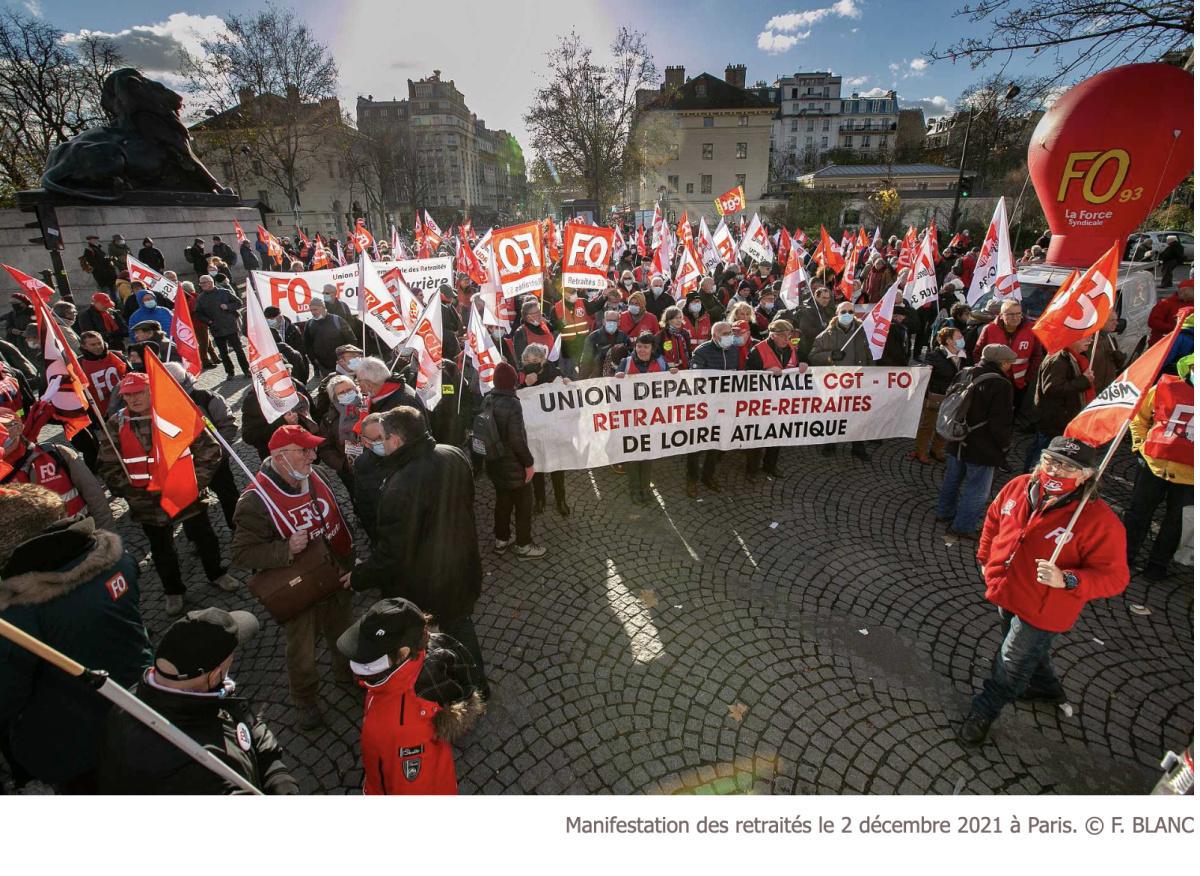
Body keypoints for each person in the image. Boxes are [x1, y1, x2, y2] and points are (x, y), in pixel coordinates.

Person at [958, 437, 1129, 745]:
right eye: (1051, 461)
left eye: (1066, 466)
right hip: (1005, 590)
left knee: (1010, 660)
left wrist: (1069, 580)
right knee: (1027, 650)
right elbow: (995, 520)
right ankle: (1047, 688)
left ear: (1086, 475)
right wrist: (985, 558)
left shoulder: (1100, 521)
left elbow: (1115, 577)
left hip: (1045, 608)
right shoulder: (1019, 485)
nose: (1055, 470)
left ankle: (983, 711)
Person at [0, 483, 150, 793]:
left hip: (75, 746)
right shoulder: (118, 560)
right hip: (139, 702)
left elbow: (6, 697)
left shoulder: (16, 616)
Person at [350, 409, 489, 691]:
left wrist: (358, 577)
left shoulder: (400, 485)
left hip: (431, 581)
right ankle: (476, 685)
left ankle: (465, 688)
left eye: (384, 439)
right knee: (462, 625)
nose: (381, 445)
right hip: (464, 563)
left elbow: (393, 552)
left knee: (449, 631)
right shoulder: (453, 453)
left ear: (397, 440)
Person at [231, 425, 354, 729]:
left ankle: (347, 674)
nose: (313, 456)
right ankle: (305, 699)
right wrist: (284, 549)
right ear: (280, 456)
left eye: (313, 449)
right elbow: (242, 554)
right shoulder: (254, 502)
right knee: (301, 649)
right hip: (298, 586)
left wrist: (350, 559)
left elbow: (335, 517)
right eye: (304, 451)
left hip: (333, 571)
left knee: (343, 628)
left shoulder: (313, 475)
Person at [98, 607, 299, 794]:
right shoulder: (198, 770)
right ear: (213, 676)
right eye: (230, 659)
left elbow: (241, 716)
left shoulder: (134, 698)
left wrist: (274, 769)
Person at [97, 372, 233, 616]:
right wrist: (131, 492)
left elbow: (210, 451)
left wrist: (192, 483)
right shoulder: (116, 424)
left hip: (187, 495)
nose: (134, 398)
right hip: (147, 505)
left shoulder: (176, 413)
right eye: (128, 394)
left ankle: (217, 573)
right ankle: (173, 591)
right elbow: (108, 465)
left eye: (139, 392)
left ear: (152, 391)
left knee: (205, 538)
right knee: (162, 550)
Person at [336, 598, 486, 795]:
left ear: (404, 652)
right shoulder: (413, 670)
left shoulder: (405, 730)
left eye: (371, 654)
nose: (358, 661)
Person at [1124, 355, 1194, 581]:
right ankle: (1124, 557)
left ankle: (1157, 565)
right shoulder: (1165, 386)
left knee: (1176, 522)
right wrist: (1139, 444)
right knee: (1137, 514)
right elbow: (1139, 416)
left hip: (1191, 477)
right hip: (1153, 465)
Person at [936, 344, 1016, 540]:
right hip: (982, 446)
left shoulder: (965, 372)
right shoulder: (1001, 385)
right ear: (1003, 363)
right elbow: (1000, 422)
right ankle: (963, 527)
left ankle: (944, 513)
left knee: (952, 479)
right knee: (977, 489)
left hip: (957, 437)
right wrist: (1004, 446)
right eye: (1009, 362)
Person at [0, 408, 114, 529]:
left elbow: (94, 496)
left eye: (8, 426)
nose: (5, 435)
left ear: (19, 427)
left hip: (83, 535)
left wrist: (107, 536)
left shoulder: (56, 453)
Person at [487, 362, 545, 558]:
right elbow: (517, 440)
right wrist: (528, 463)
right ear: (512, 382)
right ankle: (523, 544)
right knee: (523, 505)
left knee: (502, 502)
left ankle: (501, 539)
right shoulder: (513, 404)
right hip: (514, 465)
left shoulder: (487, 399)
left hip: (495, 463)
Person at [810, 302, 873, 460]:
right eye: (843, 311)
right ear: (837, 313)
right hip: (835, 383)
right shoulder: (827, 334)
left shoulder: (862, 332)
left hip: (857, 381)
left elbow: (870, 355)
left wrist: (872, 374)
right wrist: (830, 355)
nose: (847, 314)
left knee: (857, 415)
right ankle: (830, 443)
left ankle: (858, 447)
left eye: (850, 311)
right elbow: (812, 356)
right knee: (834, 414)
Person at [685, 321, 742, 496]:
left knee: (718, 443)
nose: (730, 336)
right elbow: (694, 379)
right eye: (726, 333)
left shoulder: (733, 351)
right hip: (704, 407)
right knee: (696, 446)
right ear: (715, 335)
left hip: (725, 407)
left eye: (730, 332)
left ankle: (708, 476)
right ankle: (692, 480)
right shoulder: (701, 352)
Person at [1026, 337, 1095, 470]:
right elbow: (1052, 389)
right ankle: (1030, 480)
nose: (1090, 340)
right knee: (1041, 455)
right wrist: (1084, 381)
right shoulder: (1058, 360)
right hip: (1053, 420)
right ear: (1071, 339)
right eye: (1085, 338)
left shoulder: (1075, 357)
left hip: (1062, 417)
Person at [520, 343, 571, 516]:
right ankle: (540, 500)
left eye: (535, 360)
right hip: (533, 431)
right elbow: (513, 397)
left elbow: (565, 391)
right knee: (538, 467)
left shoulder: (553, 372)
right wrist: (525, 385)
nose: (530, 363)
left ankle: (560, 499)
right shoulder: (521, 375)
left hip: (553, 430)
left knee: (557, 467)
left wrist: (567, 383)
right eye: (527, 360)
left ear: (543, 360)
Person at [974, 299, 1043, 417]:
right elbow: (977, 353)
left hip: (1019, 383)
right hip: (994, 380)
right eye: (1011, 314)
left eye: (1018, 314)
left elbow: (1037, 355)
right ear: (1001, 316)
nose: (1015, 317)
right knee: (994, 411)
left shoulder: (1031, 330)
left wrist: (1028, 378)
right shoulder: (989, 329)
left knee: (1013, 411)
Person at [914, 326, 967, 463]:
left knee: (946, 424)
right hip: (936, 397)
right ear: (949, 341)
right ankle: (921, 451)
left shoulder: (964, 355)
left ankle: (937, 450)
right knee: (928, 425)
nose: (962, 340)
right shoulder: (935, 355)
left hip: (954, 397)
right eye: (959, 337)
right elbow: (925, 371)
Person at [193, 274, 248, 380]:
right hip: (216, 328)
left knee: (238, 350)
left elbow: (239, 302)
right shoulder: (201, 298)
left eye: (204, 282)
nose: (202, 285)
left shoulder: (224, 292)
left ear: (211, 282)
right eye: (200, 283)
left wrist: (228, 306)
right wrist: (208, 321)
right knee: (223, 353)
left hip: (230, 326)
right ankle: (230, 372)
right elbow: (198, 313)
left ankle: (246, 370)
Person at [302, 298, 356, 377]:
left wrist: (346, 358)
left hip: (342, 364)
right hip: (323, 367)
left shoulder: (337, 320)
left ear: (323, 308)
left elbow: (352, 340)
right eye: (311, 310)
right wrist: (314, 360)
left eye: (315, 309)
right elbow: (307, 344)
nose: (313, 313)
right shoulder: (310, 324)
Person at [578, 307, 630, 378]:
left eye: (614, 321)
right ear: (603, 322)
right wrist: (582, 380)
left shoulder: (624, 337)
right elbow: (585, 361)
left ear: (619, 323)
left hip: (619, 376)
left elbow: (629, 358)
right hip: (598, 377)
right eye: (609, 320)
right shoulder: (593, 337)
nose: (611, 323)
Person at [1147, 278, 1193, 344]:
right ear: (1185, 291)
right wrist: (1176, 328)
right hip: (1163, 343)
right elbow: (1153, 322)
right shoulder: (1165, 303)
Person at [1090, 309, 1127, 393]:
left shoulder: (1110, 339)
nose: (1116, 323)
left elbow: (1116, 367)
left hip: (1107, 391)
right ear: (1101, 321)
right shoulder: (1088, 342)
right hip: (1093, 391)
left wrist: (1120, 360)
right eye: (1112, 320)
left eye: (1116, 320)